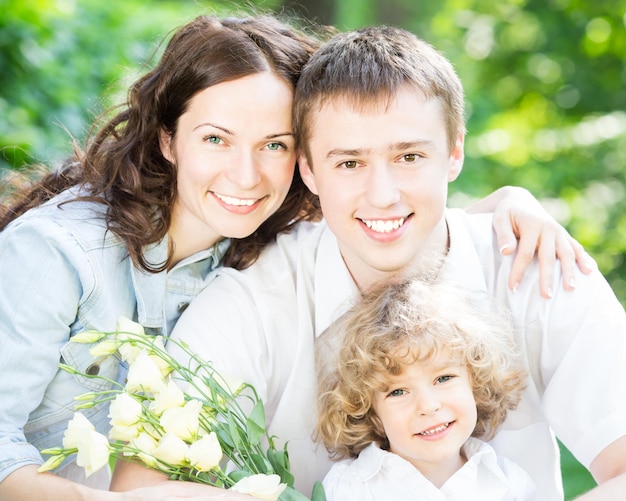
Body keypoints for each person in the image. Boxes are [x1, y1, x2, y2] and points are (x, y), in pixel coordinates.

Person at [0, 12, 575, 500]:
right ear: (168, 140)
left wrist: (511, 204)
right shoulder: (54, 255)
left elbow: (389, 208)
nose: (246, 174)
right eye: (215, 139)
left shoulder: (254, 231)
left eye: (273, 145)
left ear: (303, 159)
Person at [134, 24, 626, 500]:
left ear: (454, 153)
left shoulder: (538, 269)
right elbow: (139, 488)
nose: (383, 196)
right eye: (349, 163)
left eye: (409, 157)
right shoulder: (252, 299)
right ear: (308, 169)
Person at [316, 275, 534, 499]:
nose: (428, 406)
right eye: (398, 392)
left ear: (476, 385)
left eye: (443, 378)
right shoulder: (348, 488)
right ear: (373, 416)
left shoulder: (508, 484)